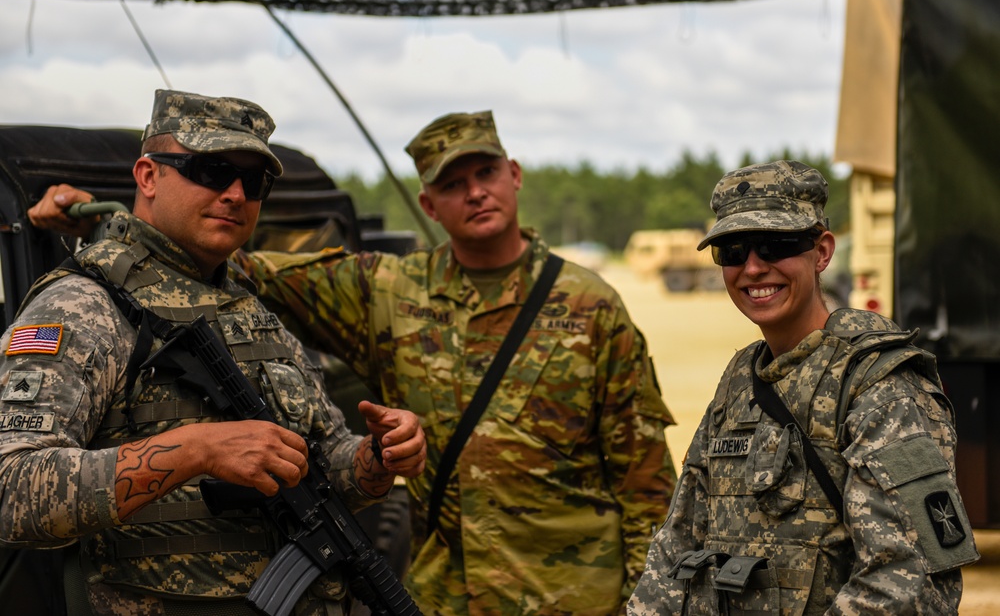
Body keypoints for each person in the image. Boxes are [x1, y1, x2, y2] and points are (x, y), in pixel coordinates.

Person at [28, 110, 678, 616]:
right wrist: (103, 220)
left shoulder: (593, 305)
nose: (475, 193)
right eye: (452, 183)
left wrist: (651, 602)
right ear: (427, 204)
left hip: (573, 594)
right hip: (444, 593)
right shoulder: (385, 289)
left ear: (515, 173)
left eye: (484, 173)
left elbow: (648, 484)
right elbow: (199, 264)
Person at [2, 88, 427, 616]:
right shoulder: (82, 304)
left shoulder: (250, 309)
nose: (234, 193)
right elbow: (12, 492)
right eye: (210, 170)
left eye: (253, 181)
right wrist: (196, 451)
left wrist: (375, 458)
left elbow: (323, 462)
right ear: (149, 176)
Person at [628, 160, 980, 615]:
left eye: (776, 246)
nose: (753, 268)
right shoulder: (740, 381)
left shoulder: (880, 384)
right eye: (732, 251)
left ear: (822, 252)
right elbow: (675, 549)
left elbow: (908, 582)